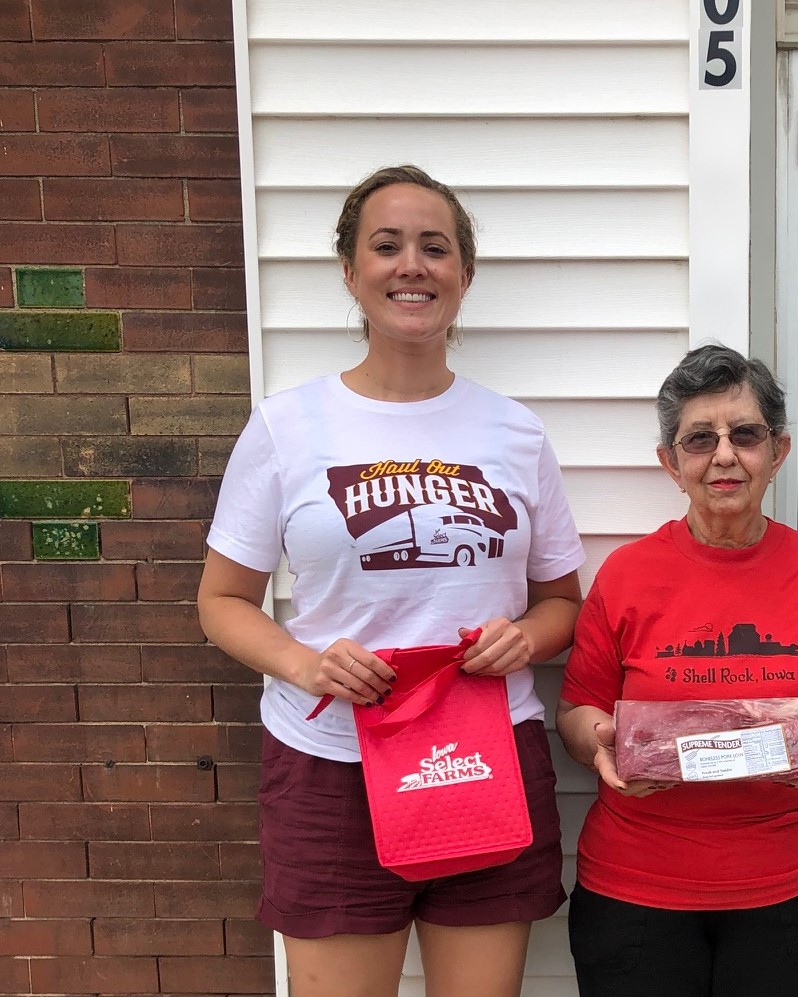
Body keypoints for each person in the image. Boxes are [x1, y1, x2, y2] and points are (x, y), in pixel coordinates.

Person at [196, 165, 585, 997]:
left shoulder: (515, 433)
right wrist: (304, 662)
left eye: (435, 248)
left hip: (484, 755)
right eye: (387, 246)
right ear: (350, 271)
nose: (413, 264)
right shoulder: (285, 427)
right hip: (331, 763)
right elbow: (221, 599)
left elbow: (562, 604)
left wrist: (528, 635)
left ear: (464, 276)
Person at [556, 344, 798, 997]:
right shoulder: (625, 576)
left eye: (745, 434)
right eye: (699, 439)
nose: (724, 455)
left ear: (779, 451)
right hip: (635, 890)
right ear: (670, 463)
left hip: (794, 888)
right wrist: (600, 739)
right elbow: (576, 711)